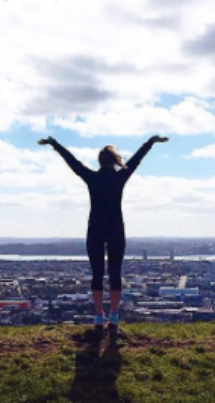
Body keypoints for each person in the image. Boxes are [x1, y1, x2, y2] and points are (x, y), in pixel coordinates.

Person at [39, 135, 168, 329]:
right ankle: (114, 315)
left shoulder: (92, 177)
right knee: (115, 272)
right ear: (115, 160)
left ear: (100, 161)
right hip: (116, 226)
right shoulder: (120, 177)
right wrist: (150, 142)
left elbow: (73, 162)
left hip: (96, 227)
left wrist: (55, 144)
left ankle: (99, 315)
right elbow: (136, 160)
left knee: (97, 273)